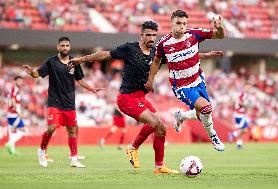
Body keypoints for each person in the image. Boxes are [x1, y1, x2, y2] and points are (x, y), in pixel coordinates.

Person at [68, 21, 222, 173]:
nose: (151, 38)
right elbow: (105, 54)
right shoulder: (129, 48)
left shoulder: (157, 52)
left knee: (161, 128)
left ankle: (158, 166)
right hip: (127, 98)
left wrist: (207, 55)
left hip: (141, 98)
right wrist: (81, 60)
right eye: (148, 35)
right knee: (155, 122)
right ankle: (133, 147)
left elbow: (182, 56)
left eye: (154, 35)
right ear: (141, 35)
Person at [145, 10, 226, 152]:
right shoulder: (163, 44)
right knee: (206, 109)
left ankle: (181, 115)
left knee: (204, 114)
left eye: (184, 23)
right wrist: (150, 80)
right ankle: (213, 136)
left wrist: (220, 29)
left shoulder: (194, 34)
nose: (181, 26)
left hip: (198, 79)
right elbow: (156, 61)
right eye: (178, 23)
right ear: (171, 23)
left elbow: (219, 36)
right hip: (182, 86)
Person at [23, 36, 102, 168]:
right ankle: (41, 150)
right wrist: (32, 72)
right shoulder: (51, 61)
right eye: (62, 45)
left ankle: (74, 159)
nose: (65, 48)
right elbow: (38, 74)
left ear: (69, 47)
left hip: (69, 102)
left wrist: (92, 88)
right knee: (51, 128)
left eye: (67, 46)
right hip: (54, 101)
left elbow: (80, 80)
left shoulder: (74, 62)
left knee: (72, 131)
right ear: (58, 47)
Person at [99, 71, 127, 150]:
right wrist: (122, 113)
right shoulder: (117, 96)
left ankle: (103, 140)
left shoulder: (118, 95)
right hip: (119, 113)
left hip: (117, 113)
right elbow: (116, 104)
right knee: (122, 130)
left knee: (114, 128)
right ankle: (119, 144)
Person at [5, 76, 25, 155]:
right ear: (15, 81)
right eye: (19, 81)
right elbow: (13, 100)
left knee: (12, 132)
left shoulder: (14, 89)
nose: (21, 82)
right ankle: (9, 143)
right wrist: (18, 112)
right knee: (22, 130)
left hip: (10, 113)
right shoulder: (14, 89)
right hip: (13, 113)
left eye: (21, 81)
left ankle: (12, 151)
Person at [228, 82, 252, 149]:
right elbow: (240, 103)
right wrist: (246, 104)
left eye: (249, 87)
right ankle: (233, 134)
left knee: (243, 129)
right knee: (244, 130)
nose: (249, 89)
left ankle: (239, 145)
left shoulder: (244, 94)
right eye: (248, 87)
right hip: (239, 114)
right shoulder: (243, 94)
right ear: (244, 87)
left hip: (240, 114)